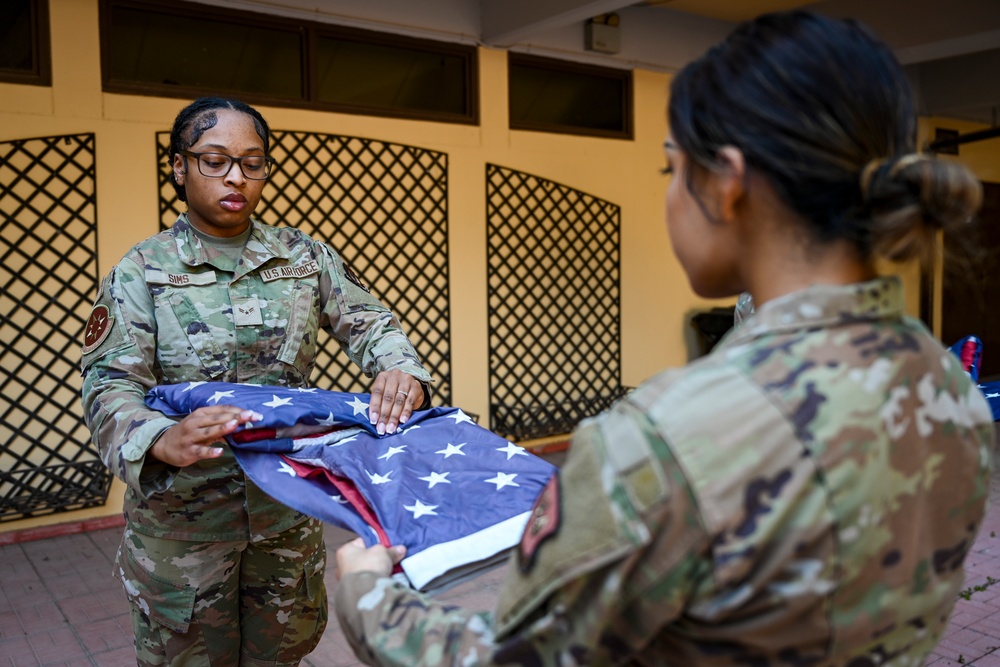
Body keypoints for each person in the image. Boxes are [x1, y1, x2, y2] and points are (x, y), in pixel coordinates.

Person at [332, 11, 996, 666]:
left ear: (727, 181)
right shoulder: (949, 388)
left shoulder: (664, 437)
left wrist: (368, 597)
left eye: (671, 170)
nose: (671, 195)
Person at [80, 96, 432, 666]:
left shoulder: (303, 257)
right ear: (179, 166)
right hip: (184, 526)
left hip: (284, 513)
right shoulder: (141, 270)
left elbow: (370, 323)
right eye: (214, 161)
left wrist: (400, 367)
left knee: (282, 656)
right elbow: (108, 382)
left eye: (253, 161)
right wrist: (157, 437)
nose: (236, 177)